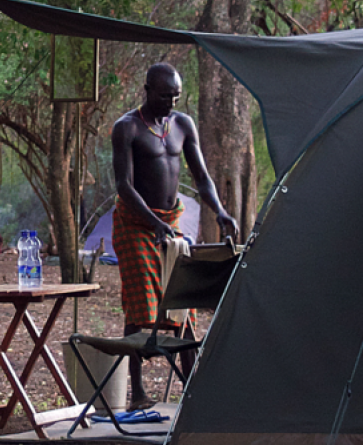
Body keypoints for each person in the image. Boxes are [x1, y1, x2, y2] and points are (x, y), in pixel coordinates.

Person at [112, 62, 239, 411]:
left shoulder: (183, 125)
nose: (171, 101)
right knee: (141, 304)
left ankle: (192, 388)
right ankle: (137, 390)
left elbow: (201, 177)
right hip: (136, 224)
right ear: (147, 89)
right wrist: (152, 222)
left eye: (176, 96)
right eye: (165, 95)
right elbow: (123, 185)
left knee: (183, 298)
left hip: (170, 222)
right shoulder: (127, 128)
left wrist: (220, 210)